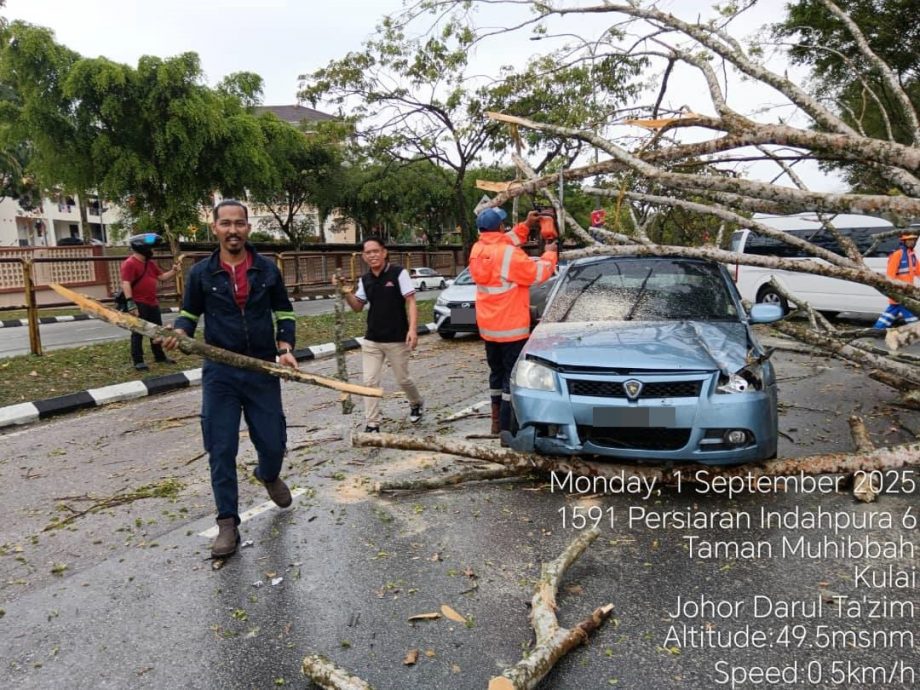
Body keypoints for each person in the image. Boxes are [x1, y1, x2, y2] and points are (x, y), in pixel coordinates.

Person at [162, 200, 298, 558]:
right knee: (221, 448)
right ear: (215, 228)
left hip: (261, 369)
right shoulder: (201, 273)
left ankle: (268, 475)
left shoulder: (267, 269)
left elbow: (283, 311)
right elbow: (189, 314)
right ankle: (227, 523)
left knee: (272, 441)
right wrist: (179, 334)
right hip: (219, 371)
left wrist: (285, 347)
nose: (233, 230)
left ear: (248, 228)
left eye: (239, 224)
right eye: (226, 224)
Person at [468, 207, 557, 443]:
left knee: (496, 375)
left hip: (488, 328)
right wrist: (549, 254)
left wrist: (526, 225)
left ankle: (496, 422)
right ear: (498, 227)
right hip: (511, 329)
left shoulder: (478, 249)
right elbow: (537, 273)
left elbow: (506, 240)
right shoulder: (508, 254)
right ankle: (508, 429)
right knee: (511, 378)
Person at [333, 236, 423, 432]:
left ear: (384, 252)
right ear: (364, 257)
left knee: (403, 379)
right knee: (369, 382)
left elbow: (411, 301)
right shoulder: (365, 280)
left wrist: (413, 329)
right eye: (368, 252)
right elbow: (357, 306)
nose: (372, 255)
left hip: (397, 339)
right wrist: (345, 291)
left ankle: (416, 402)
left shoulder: (399, 273)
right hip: (372, 340)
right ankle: (372, 423)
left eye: (376, 251)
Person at [119, 233, 181, 371]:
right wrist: (131, 304)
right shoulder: (129, 264)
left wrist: (174, 271)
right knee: (138, 332)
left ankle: (159, 356)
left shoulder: (149, 264)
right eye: (151, 249)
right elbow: (126, 284)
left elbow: (162, 277)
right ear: (143, 249)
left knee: (157, 331)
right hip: (138, 302)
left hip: (152, 302)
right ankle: (138, 360)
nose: (153, 252)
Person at [873, 230, 920, 329]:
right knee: (908, 310)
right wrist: (893, 289)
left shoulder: (912, 254)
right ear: (904, 241)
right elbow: (890, 275)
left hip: (906, 289)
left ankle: (877, 329)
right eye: (909, 240)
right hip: (899, 290)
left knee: (891, 311)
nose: (911, 242)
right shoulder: (897, 254)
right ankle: (916, 330)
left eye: (913, 240)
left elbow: (918, 270)